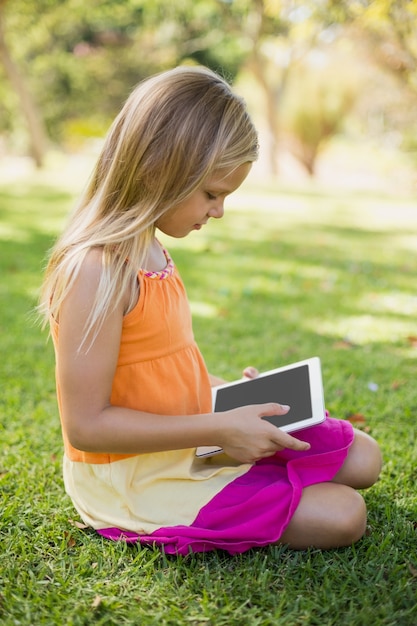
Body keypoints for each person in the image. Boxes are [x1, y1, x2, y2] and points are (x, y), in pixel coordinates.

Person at [39, 65, 382, 555]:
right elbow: (87, 427)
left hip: (194, 432)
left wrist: (233, 396)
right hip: (137, 474)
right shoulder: (95, 271)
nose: (218, 211)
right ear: (160, 169)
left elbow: (160, 372)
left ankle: (248, 455)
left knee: (364, 457)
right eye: (212, 194)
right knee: (343, 515)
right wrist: (220, 429)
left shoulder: (153, 250)